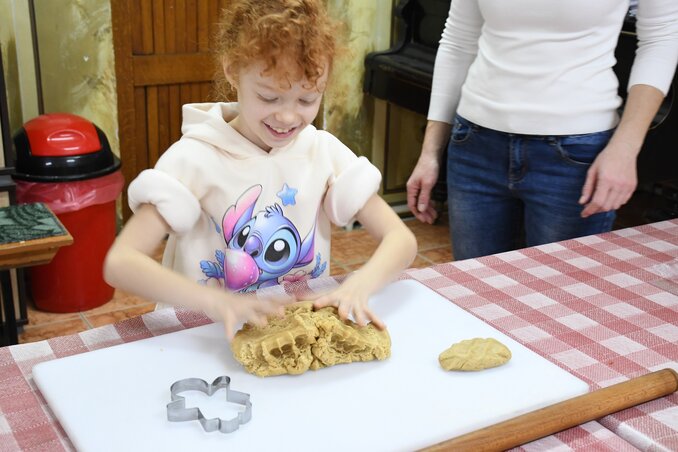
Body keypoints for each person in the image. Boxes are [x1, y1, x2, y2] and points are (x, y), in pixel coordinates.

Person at [104, 0, 417, 338]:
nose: (287, 117)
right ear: (232, 70)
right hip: (202, 335)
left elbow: (401, 240)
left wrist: (360, 284)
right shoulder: (194, 159)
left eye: (307, 100)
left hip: (289, 331)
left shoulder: (322, 152)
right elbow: (120, 263)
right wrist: (214, 301)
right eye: (269, 98)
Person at [406, 0, 678, 260]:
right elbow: (458, 40)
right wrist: (430, 152)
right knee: (474, 293)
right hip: (475, 148)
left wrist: (626, 148)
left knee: (563, 296)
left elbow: (662, 40)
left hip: (576, 157)